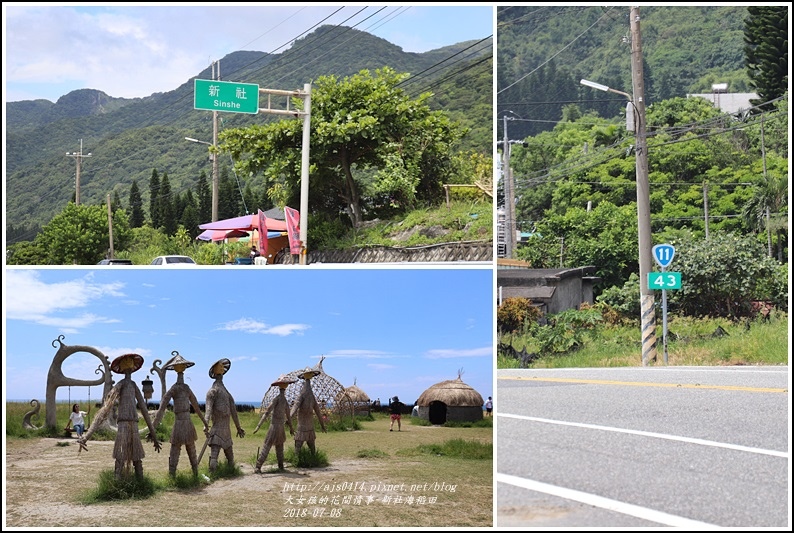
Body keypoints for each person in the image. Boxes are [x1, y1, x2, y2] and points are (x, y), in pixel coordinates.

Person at [77, 353, 162, 480]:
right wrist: (87, 436)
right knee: (120, 457)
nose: (128, 365)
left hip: (133, 426)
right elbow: (105, 409)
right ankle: (118, 482)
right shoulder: (121, 385)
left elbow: (144, 410)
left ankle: (140, 483)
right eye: (126, 363)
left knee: (137, 457)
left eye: (130, 362)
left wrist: (154, 436)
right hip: (122, 426)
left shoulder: (133, 386)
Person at [152, 352, 208, 477]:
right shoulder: (174, 389)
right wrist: (153, 427)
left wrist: (204, 422)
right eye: (179, 365)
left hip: (187, 422)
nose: (181, 367)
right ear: (175, 368)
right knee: (175, 450)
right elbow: (161, 408)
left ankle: (195, 474)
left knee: (191, 448)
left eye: (182, 365)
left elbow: (196, 406)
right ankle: (172, 475)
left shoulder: (186, 388)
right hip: (178, 422)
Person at [205, 358, 245, 473]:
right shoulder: (213, 391)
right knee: (214, 459)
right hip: (217, 429)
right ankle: (213, 474)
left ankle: (231, 472)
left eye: (223, 366)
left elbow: (234, 411)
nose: (222, 367)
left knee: (231, 459)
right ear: (214, 370)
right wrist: (205, 424)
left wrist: (238, 427)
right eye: (219, 366)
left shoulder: (226, 392)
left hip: (227, 431)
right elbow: (208, 409)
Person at [253, 374, 296, 472]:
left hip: (280, 427)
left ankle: (281, 466)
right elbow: (267, 412)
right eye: (285, 384)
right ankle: (258, 466)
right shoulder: (277, 399)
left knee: (280, 446)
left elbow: (288, 415)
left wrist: (291, 428)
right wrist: (258, 425)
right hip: (274, 426)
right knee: (267, 446)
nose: (286, 385)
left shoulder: (284, 400)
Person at [290, 366, 326, 456]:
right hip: (302, 425)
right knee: (298, 445)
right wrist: (289, 417)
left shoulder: (309, 394)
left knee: (311, 445)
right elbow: (296, 406)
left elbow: (317, 410)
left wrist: (322, 425)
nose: (310, 375)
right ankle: (296, 459)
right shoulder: (303, 393)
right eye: (308, 374)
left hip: (309, 425)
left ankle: (313, 458)